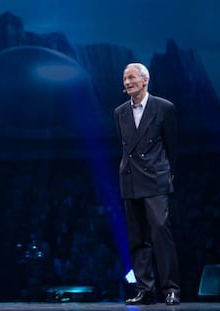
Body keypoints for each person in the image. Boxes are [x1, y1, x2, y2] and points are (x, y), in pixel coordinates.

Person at [114, 63, 181, 305]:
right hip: (130, 179)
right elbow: (125, 147)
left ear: (145, 80)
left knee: (160, 232)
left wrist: (166, 174)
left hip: (155, 178)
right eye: (124, 79)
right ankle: (145, 289)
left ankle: (171, 288)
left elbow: (171, 147)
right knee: (136, 237)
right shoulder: (120, 112)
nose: (127, 82)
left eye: (131, 77)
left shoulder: (164, 108)